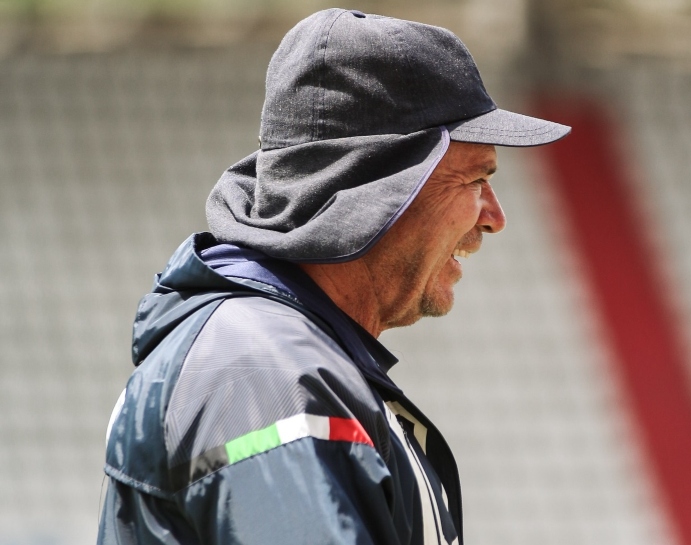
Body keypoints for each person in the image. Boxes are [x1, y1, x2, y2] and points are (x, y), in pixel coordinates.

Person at [98, 8, 569, 545]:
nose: (495, 218)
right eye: (475, 179)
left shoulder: (280, 363)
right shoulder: (263, 376)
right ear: (380, 185)